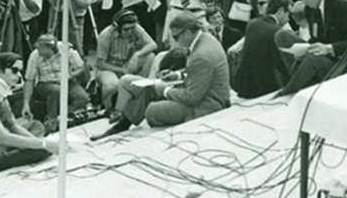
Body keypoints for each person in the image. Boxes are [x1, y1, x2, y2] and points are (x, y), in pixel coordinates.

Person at [90, 12, 230, 139]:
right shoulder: (206, 39)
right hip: (203, 94)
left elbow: (191, 98)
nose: (175, 41)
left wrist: (165, 90)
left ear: (187, 33)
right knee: (149, 89)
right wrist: (176, 75)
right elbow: (199, 72)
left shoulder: (201, 55)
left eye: (176, 37)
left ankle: (123, 123)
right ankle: (122, 124)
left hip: (208, 104)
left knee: (151, 111)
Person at [279, 0, 347, 94]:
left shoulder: (341, 6)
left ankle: (289, 90)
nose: (302, 0)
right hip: (322, 56)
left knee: (312, 59)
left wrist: (329, 48)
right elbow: (315, 38)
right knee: (282, 36)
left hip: (340, 64)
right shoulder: (309, 9)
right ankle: (298, 80)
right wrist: (302, 49)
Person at [233, 0, 293, 98]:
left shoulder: (252, 24)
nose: (289, 19)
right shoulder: (278, 32)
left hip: (244, 85)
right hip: (263, 89)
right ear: (280, 11)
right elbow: (281, 63)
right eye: (288, 14)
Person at [95, 10, 157, 110]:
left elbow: (153, 45)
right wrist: (122, 70)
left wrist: (137, 55)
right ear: (117, 28)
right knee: (112, 86)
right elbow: (100, 63)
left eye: (132, 28)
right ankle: (108, 107)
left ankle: (139, 91)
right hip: (109, 68)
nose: (130, 32)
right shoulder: (106, 35)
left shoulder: (136, 28)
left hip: (128, 64)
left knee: (150, 56)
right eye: (126, 29)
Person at [22, 34, 90, 122]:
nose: (37, 49)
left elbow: (81, 67)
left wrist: (70, 75)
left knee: (82, 97)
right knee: (56, 90)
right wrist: (26, 103)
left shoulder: (66, 49)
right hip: (45, 83)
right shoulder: (34, 56)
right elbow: (29, 80)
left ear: (49, 48)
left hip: (66, 81)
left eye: (40, 48)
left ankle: (64, 116)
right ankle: (51, 120)